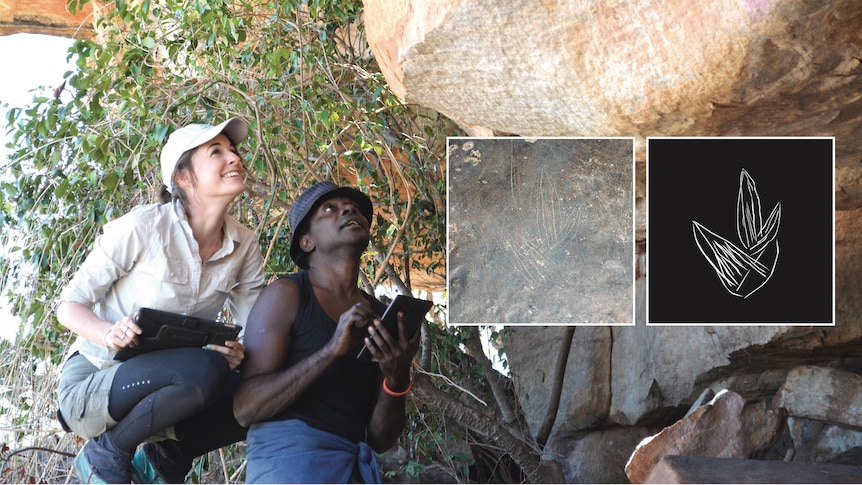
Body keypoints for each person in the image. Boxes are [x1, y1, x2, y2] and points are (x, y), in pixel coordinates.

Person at [56, 117, 266, 483]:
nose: (234, 158)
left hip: (172, 398)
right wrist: (108, 333)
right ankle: (106, 453)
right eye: (216, 152)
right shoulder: (143, 227)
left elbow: (256, 329)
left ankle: (162, 459)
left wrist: (238, 352)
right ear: (183, 177)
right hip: (95, 383)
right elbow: (68, 305)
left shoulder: (244, 244)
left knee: (264, 392)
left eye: (233, 150)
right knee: (204, 369)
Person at [234, 181, 420, 483]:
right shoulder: (287, 294)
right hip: (290, 465)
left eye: (356, 209)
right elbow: (245, 408)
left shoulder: (380, 315)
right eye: (330, 209)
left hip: (352, 468)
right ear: (306, 241)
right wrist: (331, 350)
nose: (349, 210)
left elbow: (380, 439)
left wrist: (396, 380)